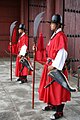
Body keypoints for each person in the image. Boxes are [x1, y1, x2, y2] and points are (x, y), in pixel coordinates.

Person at [38, 14, 71, 119]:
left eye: (52, 23)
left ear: (57, 25)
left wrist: (54, 66)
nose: (50, 25)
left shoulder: (61, 36)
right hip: (50, 64)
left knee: (58, 89)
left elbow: (62, 52)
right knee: (51, 87)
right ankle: (52, 104)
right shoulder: (54, 36)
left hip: (56, 67)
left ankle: (59, 111)